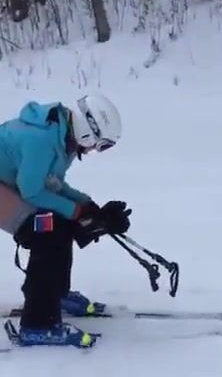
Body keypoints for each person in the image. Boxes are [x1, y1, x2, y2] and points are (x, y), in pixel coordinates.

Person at [0, 94, 132, 348]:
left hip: (10, 184)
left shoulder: (62, 137)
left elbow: (52, 184)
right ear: (88, 132)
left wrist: (89, 207)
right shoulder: (41, 139)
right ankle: (38, 325)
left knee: (59, 224)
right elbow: (31, 192)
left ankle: (54, 295)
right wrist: (75, 211)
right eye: (100, 145)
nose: (95, 150)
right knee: (47, 233)